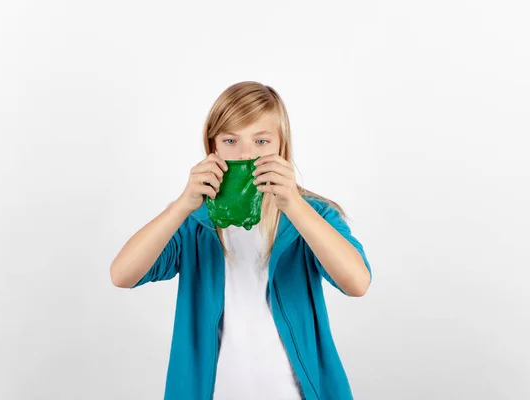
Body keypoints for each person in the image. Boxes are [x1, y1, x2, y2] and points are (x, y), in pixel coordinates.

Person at [110, 81, 372, 400]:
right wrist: (181, 206)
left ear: (281, 147)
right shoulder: (193, 222)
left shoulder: (314, 216)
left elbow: (357, 283)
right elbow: (122, 275)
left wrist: (294, 205)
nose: (246, 154)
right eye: (231, 140)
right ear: (213, 148)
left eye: (261, 140)